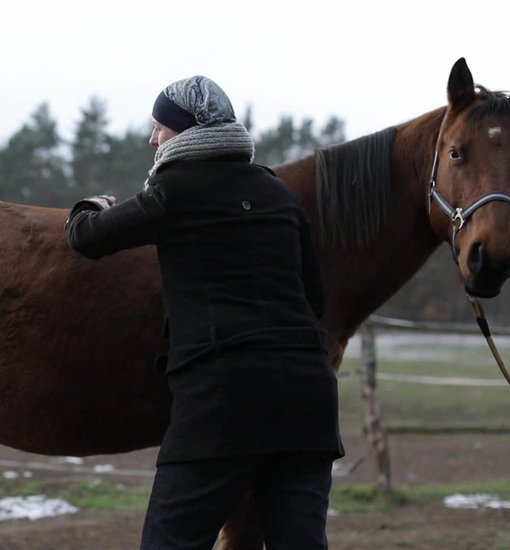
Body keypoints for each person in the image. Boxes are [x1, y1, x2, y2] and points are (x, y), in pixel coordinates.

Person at [65, 75, 344, 549]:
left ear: (187, 132)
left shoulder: (174, 191)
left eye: (160, 127)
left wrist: (89, 205)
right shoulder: (277, 193)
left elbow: (88, 237)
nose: (153, 139)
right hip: (308, 405)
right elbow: (314, 301)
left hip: (221, 404)